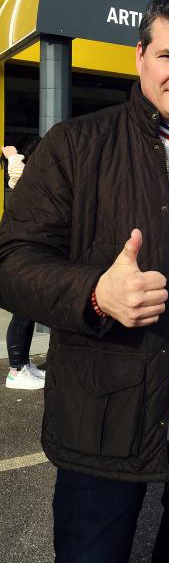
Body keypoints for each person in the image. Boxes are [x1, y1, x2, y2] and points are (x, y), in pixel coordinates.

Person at [0, 0, 169, 563]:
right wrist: (95, 293)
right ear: (139, 56)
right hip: (105, 419)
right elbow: (11, 260)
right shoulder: (74, 145)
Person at [1, 137, 45, 390]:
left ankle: (23, 364)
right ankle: (15, 371)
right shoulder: (21, 178)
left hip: (31, 251)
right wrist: (13, 154)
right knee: (23, 312)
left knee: (29, 311)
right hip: (21, 253)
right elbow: (17, 168)